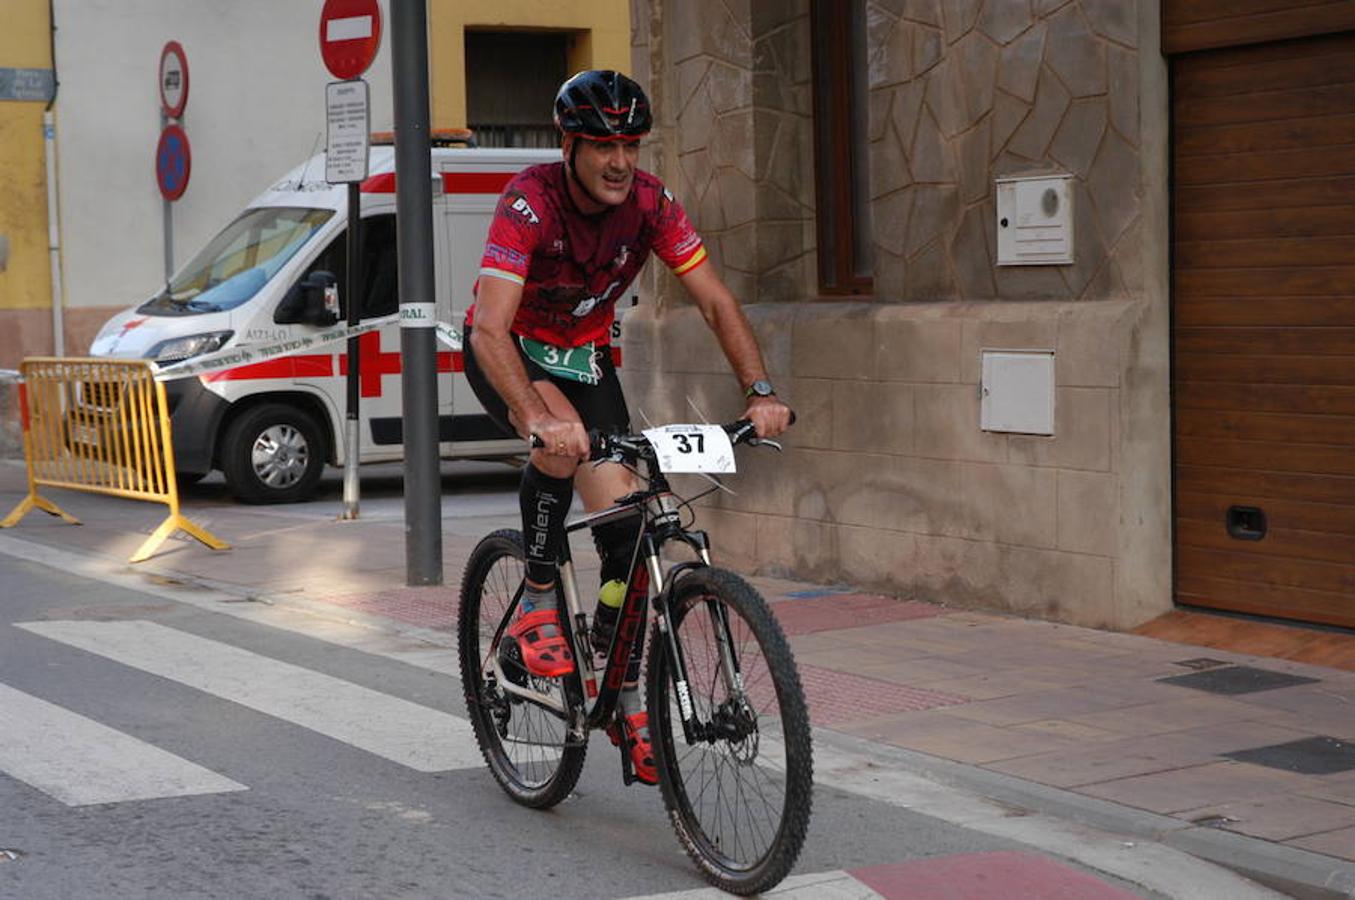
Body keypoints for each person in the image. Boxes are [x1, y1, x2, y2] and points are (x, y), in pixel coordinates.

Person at [463, 70, 792, 784]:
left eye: (631, 145)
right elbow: (489, 327)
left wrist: (759, 391)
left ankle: (623, 694)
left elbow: (714, 300)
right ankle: (540, 600)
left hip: (582, 360)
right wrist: (535, 420)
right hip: (508, 351)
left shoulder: (650, 205)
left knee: (629, 529)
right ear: (569, 146)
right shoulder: (529, 202)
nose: (620, 161)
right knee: (560, 441)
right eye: (603, 145)